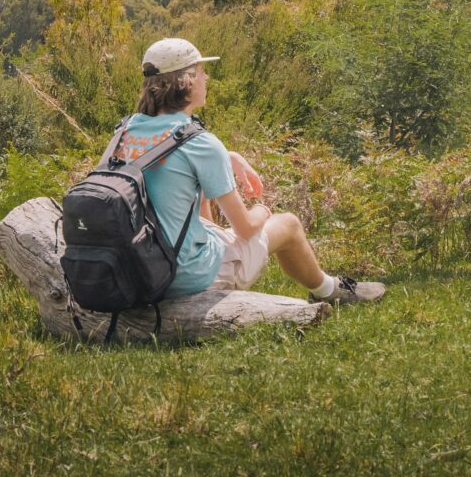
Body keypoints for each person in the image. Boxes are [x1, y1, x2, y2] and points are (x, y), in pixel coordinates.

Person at [115, 37, 385, 305]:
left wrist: (228, 156)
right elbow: (244, 228)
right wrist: (263, 210)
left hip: (141, 268)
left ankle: (217, 257)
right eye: (200, 72)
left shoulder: (125, 131)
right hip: (184, 277)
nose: (206, 78)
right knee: (288, 224)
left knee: (200, 198)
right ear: (185, 81)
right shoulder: (200, 143)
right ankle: (330, 291)